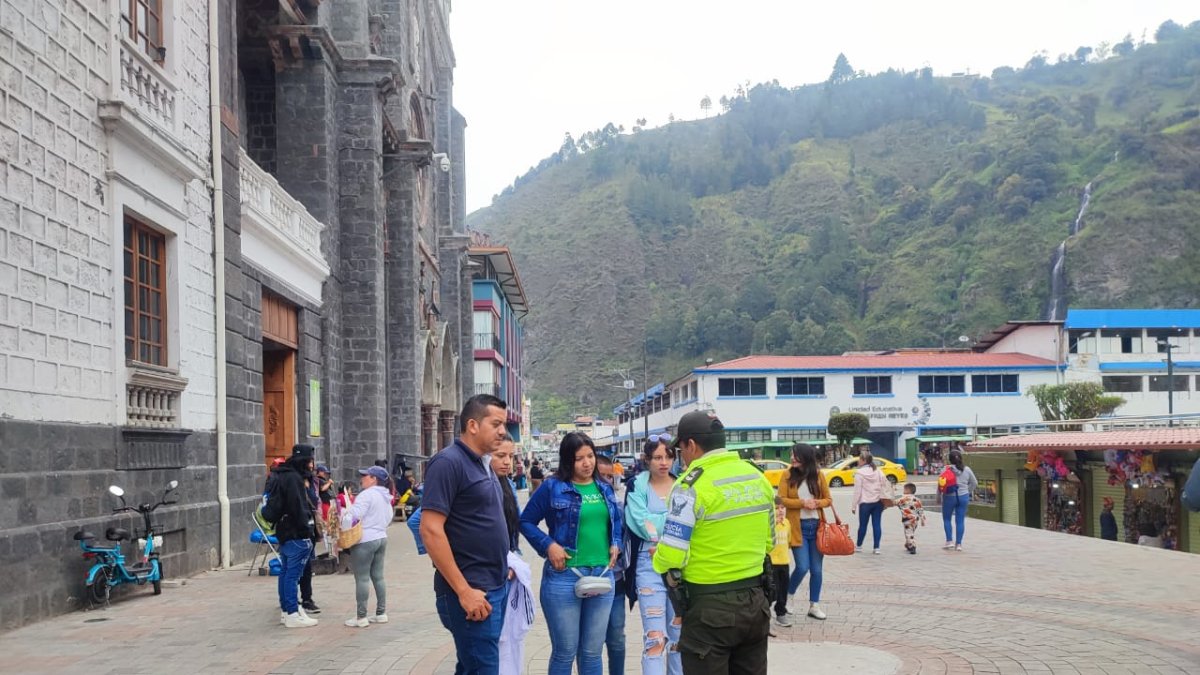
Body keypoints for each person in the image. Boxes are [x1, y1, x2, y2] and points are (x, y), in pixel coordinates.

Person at [653, 411, 774, 674]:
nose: (681, 456)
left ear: (692, 445)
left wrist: (657, 556)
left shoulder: (690, 486)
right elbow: (769, 542)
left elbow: (672, 555)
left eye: (680, 448)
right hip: (756, 604)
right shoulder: (756, 478)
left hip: (710, 610)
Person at [420, 394, 512, 675]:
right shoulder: (448, 463)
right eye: (495, 423)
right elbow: (430, 529)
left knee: (472, 666)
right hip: (471, 592)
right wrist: (463, 591)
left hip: (493, 585)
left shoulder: (483, 463)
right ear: (473, 425)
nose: (502, 431)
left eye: (503, 424)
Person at [520, 432, 622, 675]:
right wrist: (549, 545)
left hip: (602, 575)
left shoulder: (605, 489)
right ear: (568, 460)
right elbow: (526, 521)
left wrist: (615, 542)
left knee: (592, 653)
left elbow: (615, 522)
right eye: (579, 458)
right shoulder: (552, 487)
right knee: (565, 651)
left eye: (590, 456)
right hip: (564, 576)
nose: (587, 463)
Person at [625, 438, 683, 675]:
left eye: (668, 457)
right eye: (657, 457)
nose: (664, 462)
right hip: (647, 566)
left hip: (681, 567)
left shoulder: (683, 487)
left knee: (679, 639)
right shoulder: (636, 487)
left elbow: (650, 523)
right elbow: (640, 523)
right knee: (655, 639)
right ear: (647, 460)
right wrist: (675, 522)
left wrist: (656, 523)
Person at [261, 444, 319, 628]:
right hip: (295, 532)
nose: (311, 466)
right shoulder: (294, 479)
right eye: (310, 461)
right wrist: (306, 531)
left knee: (286, 573)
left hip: (284, 530)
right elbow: (297, 507)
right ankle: (293, 612)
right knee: (292, 575)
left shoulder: (281, 475)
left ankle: (287, 611)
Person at [493, 440, 535, 675]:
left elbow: (518, 524)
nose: (507, 462)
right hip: (482, 576)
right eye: (501, 455)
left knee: (509, 641)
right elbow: (422, 522)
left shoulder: (507, 484)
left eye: (511, 456)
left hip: (508, 573)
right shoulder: (470, 484)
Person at [778, 443, 831, 620]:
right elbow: (782, 500)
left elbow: (828, 499)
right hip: (797, 527)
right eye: (791, 455)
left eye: (795, 455)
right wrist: (802, 503)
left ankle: (814, 605)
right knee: (802, 567)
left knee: (816, 569)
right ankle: (789, 596)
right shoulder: (787, 475)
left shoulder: (818, 475)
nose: (792, 458)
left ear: (806, 457)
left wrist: (817, 503)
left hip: (817, 527)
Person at [340, 466, 392, 627]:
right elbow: (389, 516)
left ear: (374, 479)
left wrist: (342, 517)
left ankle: (361, 616)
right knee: (378, 576)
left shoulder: (366, 495)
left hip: (365, 539)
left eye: (365, 476)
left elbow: (353, 516)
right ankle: (381, 613)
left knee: (362, 578)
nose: (361, 478)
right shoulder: (385, 496)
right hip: (381, 537)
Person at [595, 453, 627, 675]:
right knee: (590, 644)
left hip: (614, 581)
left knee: (616, 638)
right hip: (586, 580)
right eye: (601, 476)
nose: (606, 481)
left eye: (609, 476)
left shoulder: (619, 506)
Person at [851, 449, 888, 554]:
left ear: (863, 460)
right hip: (878, 503)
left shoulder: (859, 473)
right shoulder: (878, 471)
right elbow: (885, 484)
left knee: (863, 525)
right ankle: (877, 548)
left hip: (865, 504)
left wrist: (854, 506)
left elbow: (857, 491)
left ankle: (859, 546)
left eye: (859, 459)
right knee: (877, 524)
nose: (858, 461)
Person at [942, 449, 978, 551]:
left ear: (950, 460)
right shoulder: (967, 469)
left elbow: (940, 484)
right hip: (963, 497)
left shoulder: (945, 469)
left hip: (949, 496)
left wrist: (938, 497)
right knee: (960, 520)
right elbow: (974, 483)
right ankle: (959, 544)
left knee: (947, 519)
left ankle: (949, 541)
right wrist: (967, 490)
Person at [768, 497, 792, 628]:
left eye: (782, 508)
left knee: (783, 590)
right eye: (776, 508)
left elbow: (788, 541)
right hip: (772, 563)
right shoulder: (769, 524)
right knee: (773, 590)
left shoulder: (787, 523)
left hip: (784, 562)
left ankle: (781, 613)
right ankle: (765, 614)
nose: (780, 511)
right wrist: (774, 523)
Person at [895, 483, 927, 554]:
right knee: (910, 532)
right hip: (915, 520)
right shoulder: (917, 500)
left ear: (907, 490)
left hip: (907, 519)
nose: (903, 491)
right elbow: (920, 510)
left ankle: (912, 546)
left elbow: (894, 502)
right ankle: (908, 544)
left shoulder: (903, 499)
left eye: (904, 489)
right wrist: (922, 519)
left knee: (909, 533)